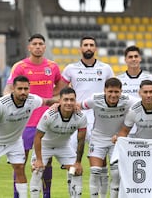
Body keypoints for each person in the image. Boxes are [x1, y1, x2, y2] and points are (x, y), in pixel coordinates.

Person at [4, 33, 63, 198]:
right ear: (29, 47)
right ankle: (18, 195)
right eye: (35, 44)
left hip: (47, 121)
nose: (38, 46)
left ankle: (46, 195)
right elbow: (8, 89)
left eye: (41, 44)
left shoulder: (52, 66)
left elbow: (61, 86)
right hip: (24, 122)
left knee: (45, 161)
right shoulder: (20, 66)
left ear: (45, 47)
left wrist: (51, 98)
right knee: (19, 162)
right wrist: (9, 104)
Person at [0, 75, 56, 198]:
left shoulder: (33, 100)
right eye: (19, 88)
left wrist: (58, 104)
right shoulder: (1, 103)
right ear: (13, 89)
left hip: (15, 141)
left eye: (26, 89)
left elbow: (47, 101)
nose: (23, 92)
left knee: (20, 168)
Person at [57, 35, 114, 197]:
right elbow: (60, 92)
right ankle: (75, 195)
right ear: (80, 48)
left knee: (100, 159)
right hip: (77, 116)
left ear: (95, 49)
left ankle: (102, 195)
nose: (88, 47)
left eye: (91, 45)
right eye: (85, 45)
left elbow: (113, 92)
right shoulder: (70, 69)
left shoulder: (106, 69)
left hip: (99, 117)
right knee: (73, 159)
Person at [81, 77, 137, 198]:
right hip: (98, 139)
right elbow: (78, 106)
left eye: (116, 92)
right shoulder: (95, 99)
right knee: (95, 171)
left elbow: (145, 103)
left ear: (121, 92)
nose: (113, 95)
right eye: (110, 91)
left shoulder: (128, 100)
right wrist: (56, 105)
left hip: (117, 140)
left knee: (116, 173)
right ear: (104, 90)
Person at [29, 87, 87, 198]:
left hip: (63, 147)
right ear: (59, 101)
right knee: (37, 171)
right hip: (44, 146)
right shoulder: (49, 115)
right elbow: (37, 137)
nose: (69, 103)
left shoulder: (81, 117)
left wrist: (78, 162)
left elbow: (81, 140)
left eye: (72, 100)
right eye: (66, 99)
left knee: (77, 171)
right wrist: (39, 160)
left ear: (75, 101)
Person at [117, 45, 152, 136]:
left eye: (136, 56)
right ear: (125, 60)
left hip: (147, 126)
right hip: (125, 126)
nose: (133, 59)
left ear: (140, 58)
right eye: (130, 57)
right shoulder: (119, 80)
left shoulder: (151, 78)